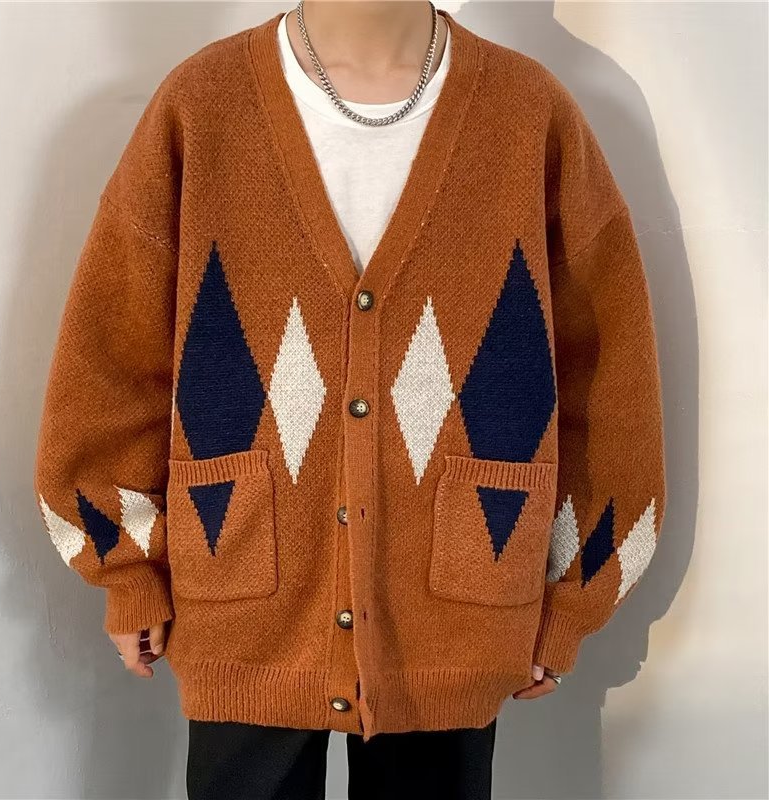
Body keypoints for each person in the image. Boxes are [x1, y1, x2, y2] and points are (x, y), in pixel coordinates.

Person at [33, 2, 667, 798]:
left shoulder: (525, 112)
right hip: (245, 590)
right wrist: (125, 565)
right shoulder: (205, 103)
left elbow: (606, 373)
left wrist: (574, 590)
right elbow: (115, 355)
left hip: (459, 600)